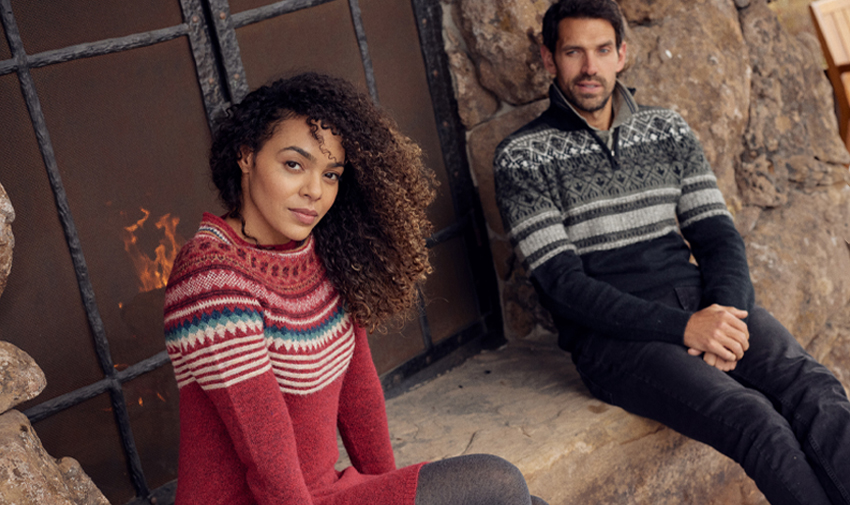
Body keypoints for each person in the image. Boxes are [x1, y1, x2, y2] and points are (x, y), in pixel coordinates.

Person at [493, 1, 850, 504]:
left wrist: (722, 311)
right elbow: (564, 288)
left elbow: (718, 237)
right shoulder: (523, 157)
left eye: (601, 50)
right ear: (551, 61)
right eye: (573, 52)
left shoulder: (666, 130)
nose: (589, 67)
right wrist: (682, 329)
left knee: (817, 390)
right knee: (754, 420)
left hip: (703, 303)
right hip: (614, 340)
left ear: (623, 54)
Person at [164, 72, 548, 505]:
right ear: (247, 156)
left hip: (326, 491)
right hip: (269, 501)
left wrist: (395, 490)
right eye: (294, 164)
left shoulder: (320, 253)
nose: (314, 191)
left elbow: (359, 396)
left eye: (331, 175)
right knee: (498, 482)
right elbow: (269, 465)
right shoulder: (210, 280)